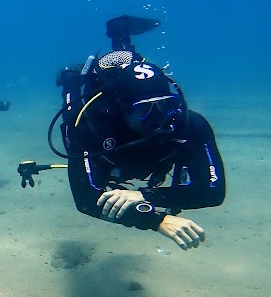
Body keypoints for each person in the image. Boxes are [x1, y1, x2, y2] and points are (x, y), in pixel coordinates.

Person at [57, 15, 225, 250]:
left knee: (132, 72)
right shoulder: (92, 127)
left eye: (165, 104)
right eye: (144, 111)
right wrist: (157, 220)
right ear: (123, 113)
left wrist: (146, 196)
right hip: (107, 133)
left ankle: (120, 35)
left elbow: (213, 191)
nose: (159, 119)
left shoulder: (189, 123)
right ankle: (72, 80)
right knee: (72, 114)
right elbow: (86, 200)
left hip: (130, 130)